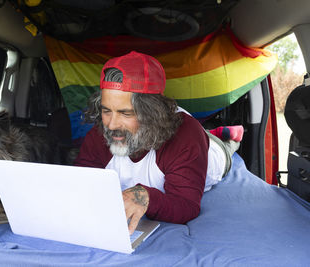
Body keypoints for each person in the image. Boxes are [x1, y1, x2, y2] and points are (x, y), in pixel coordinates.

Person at [73, 51, 243, 234]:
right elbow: (83, 182)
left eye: (126, 113)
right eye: (106, 111)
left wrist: (146, 196)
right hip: (189, 144)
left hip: (213, 154)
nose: (111, 124)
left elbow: (186, 205)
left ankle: (226, 134)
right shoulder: (102, 131)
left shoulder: (185, 137)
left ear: (152, 113)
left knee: (225, 146)